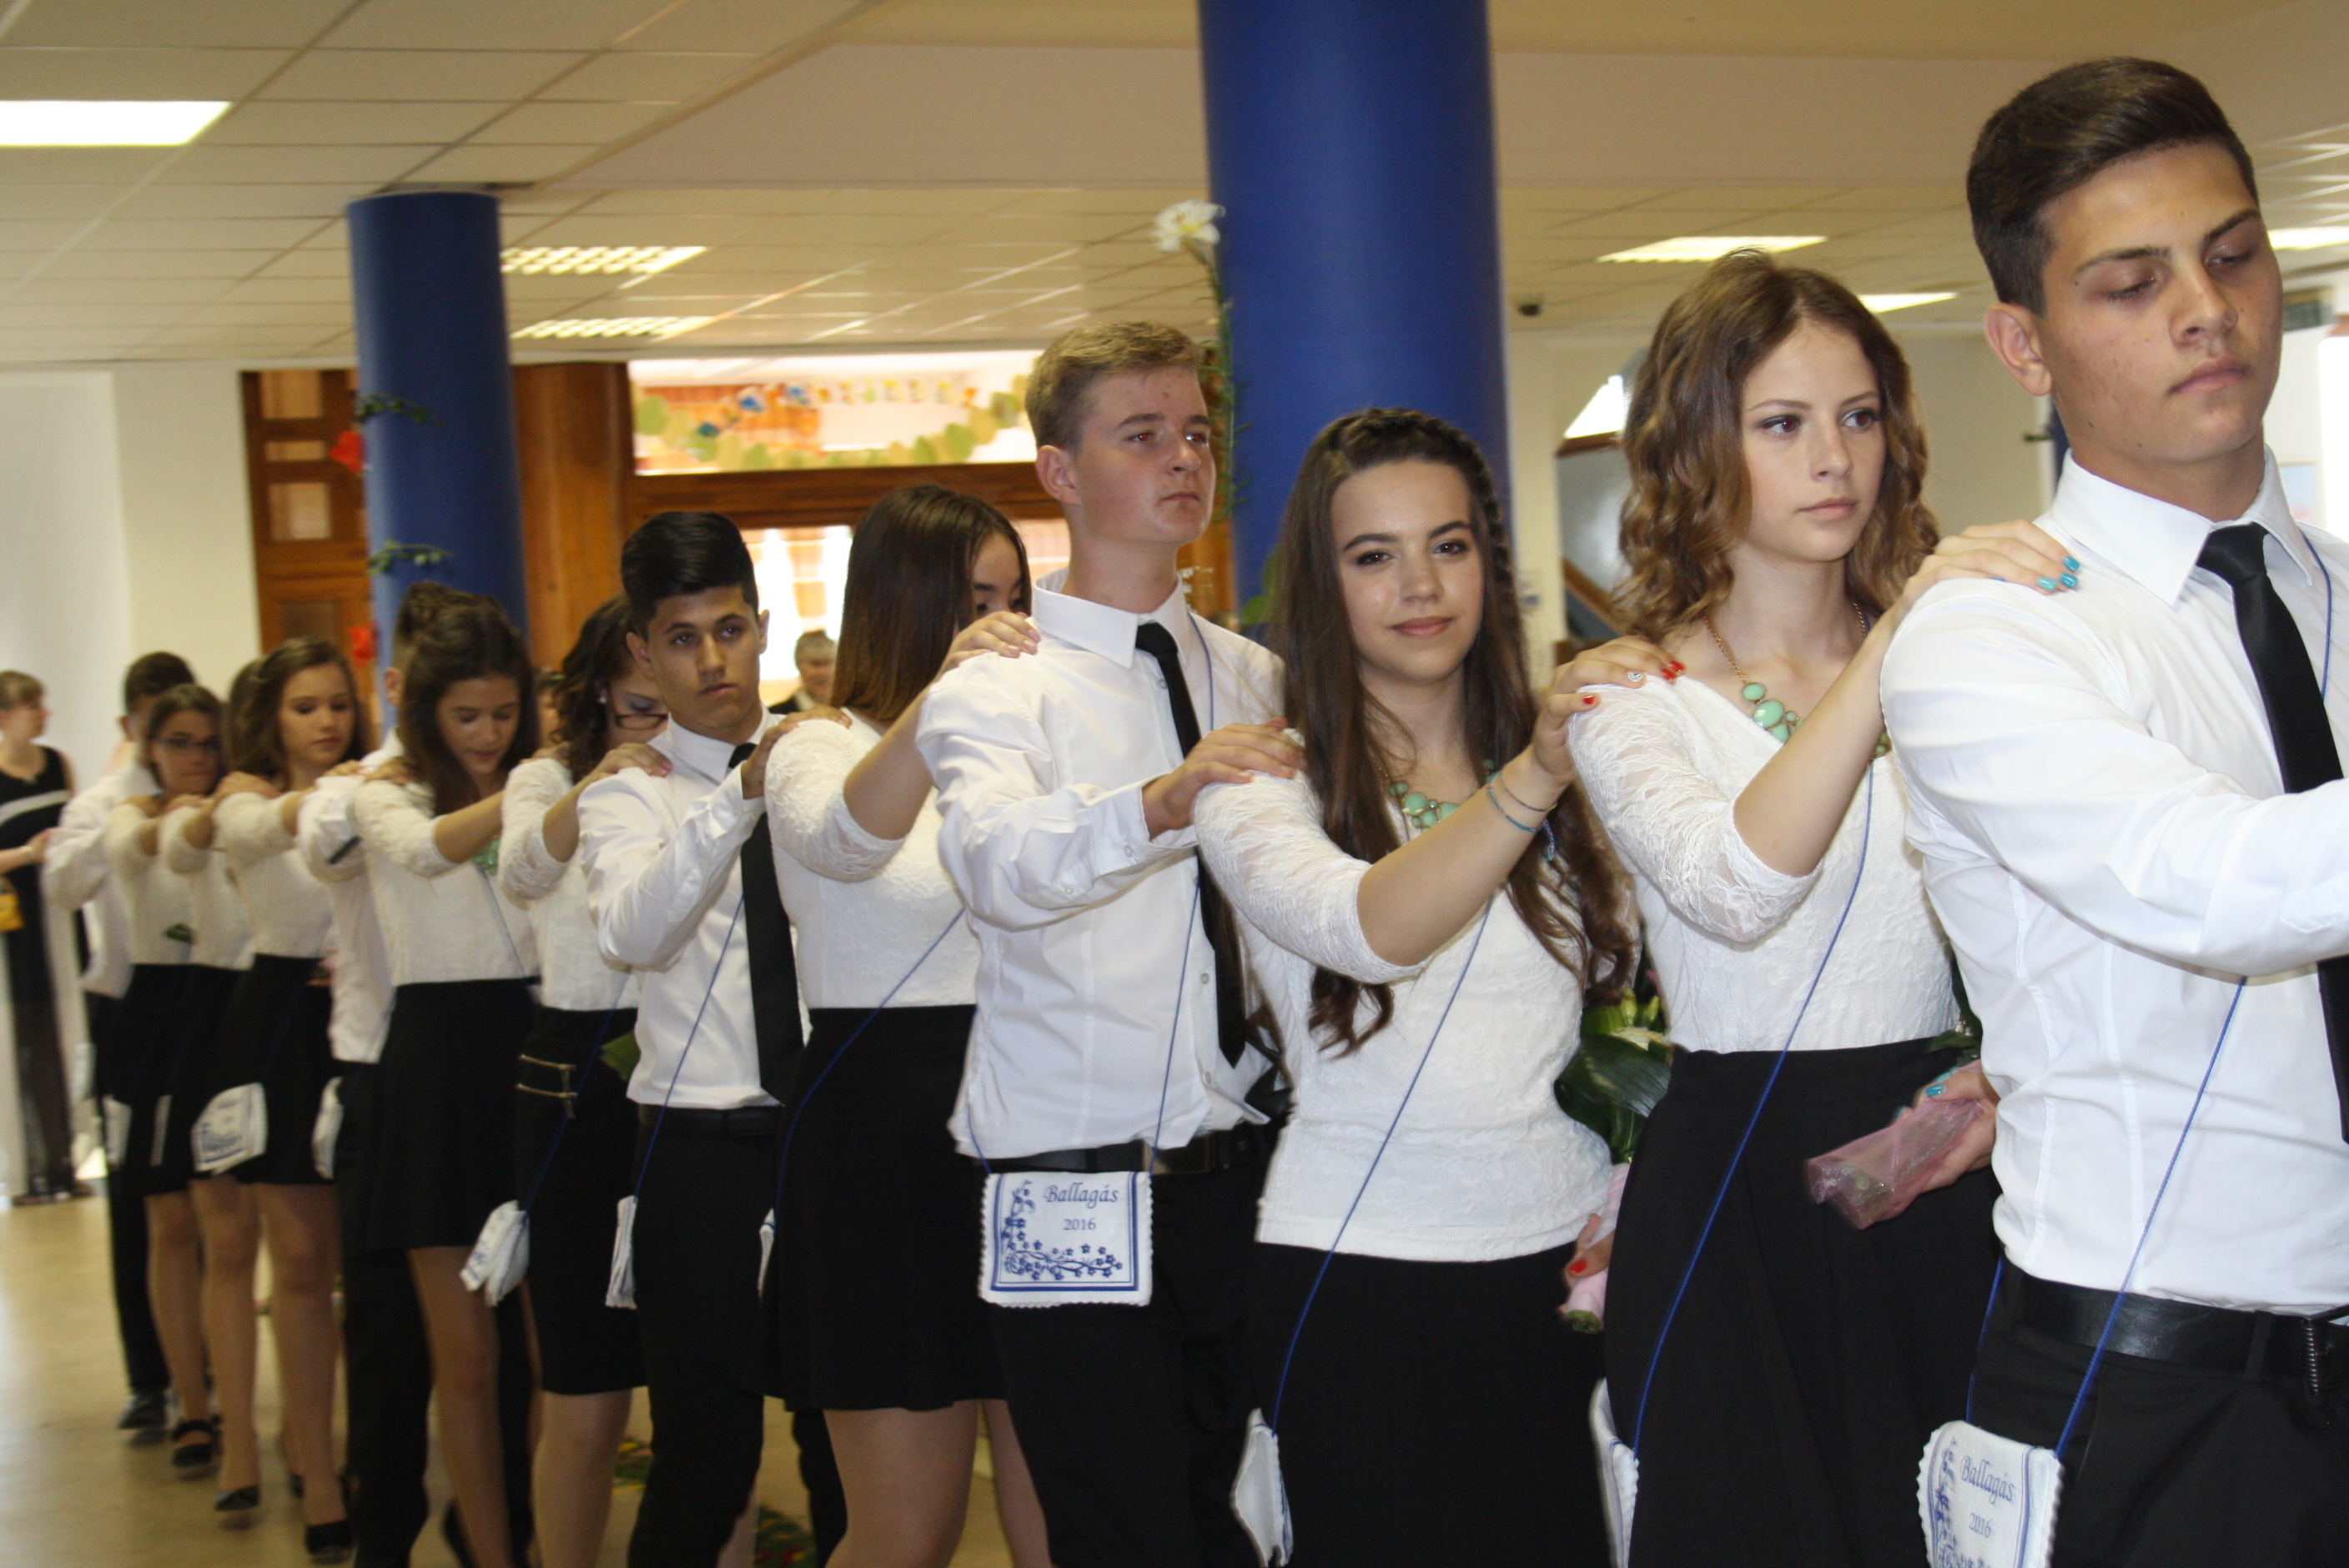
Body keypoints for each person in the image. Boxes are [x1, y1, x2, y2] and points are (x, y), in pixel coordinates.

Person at [1881, 58, 2349, 1564]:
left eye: (2234, 255)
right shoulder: (1990, 637)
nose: (2206, 311)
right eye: (2133, 284)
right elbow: (2212, 883)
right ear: (2022, 342)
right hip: (2160, 1393)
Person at [1567, 250, 2071, 1567]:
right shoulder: (1628, 697)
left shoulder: (1962, 664)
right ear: (1698, 446)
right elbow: (1736, 890)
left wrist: (2010, 1077)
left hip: (1930, 1159)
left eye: (1857, 417)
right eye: (1782, 424)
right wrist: (1897, 639)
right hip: (1733, 1182)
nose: (1834, 459)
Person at [1191, 410, 1651, 1564]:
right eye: (1373, 555)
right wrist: (1535, 777)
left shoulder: (1578, 769)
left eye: (1448, 545)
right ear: (1322, 582)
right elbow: (1371, 929)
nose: (1419, 585)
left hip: (1567, 1275)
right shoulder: (1262, 784)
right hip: (1360, 1278)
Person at [915, 320, 1289, 1567]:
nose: (1183, 458)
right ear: (1060, 472)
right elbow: (998, 864)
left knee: (1244, 1521)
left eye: (1195, 433)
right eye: (1141, 435)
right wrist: (1160, 801)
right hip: (1066, 1175)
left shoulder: (1256, 677)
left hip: (1242, 1165)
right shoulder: (996, 686)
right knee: (1117, 1531)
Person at [762, 485, 1052, 1568]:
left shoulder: (1032, 743)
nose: (1005, 623)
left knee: (1062, 1516)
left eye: (1015, 598)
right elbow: (845, 842)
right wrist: (945, 697)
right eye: (978, 599)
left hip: (1032, 1115)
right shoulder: (815, 742)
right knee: (905, 1531)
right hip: (878, 1139)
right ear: (906, 598)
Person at [577, 510, 846, 1568]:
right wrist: (734, 799)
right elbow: (632, 932)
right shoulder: (627, 792)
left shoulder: (829, 757)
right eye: (681, 639)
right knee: (702, 1459)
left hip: (824, 1135)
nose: (712, 662)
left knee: (848, 1448)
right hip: (697, 1152)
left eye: (729, 630)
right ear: (643, 652)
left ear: (763, 625)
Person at [301, 582, 532, 1568]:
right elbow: (423, 850)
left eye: (504, 713)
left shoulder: (540, 777)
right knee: (464, 1357)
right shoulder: (381, 788)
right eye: (465, 715)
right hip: (430, 1070)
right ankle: (489, 1548)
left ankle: (518, 1534)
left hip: (531, 1053)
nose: (487, 734)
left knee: (539, 1354)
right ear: (423, 708)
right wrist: (532, 792)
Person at [166, 638, 366, 1551]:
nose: (326, 721)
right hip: (280, 1025)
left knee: (363, 1262)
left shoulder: (379, 780)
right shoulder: (245, 797)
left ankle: (340, 1441)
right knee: (298, 1259)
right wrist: (335, 798)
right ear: (272, 718)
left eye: (337, 704)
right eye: (305, 706)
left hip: (364, 1020)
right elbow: (240, 833)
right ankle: (314, 1467)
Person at [499, 598, 662, 1568]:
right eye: (638, 699)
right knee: (585, 1394)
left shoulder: (722, 763)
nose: (657, 718)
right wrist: (598, 782)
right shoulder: (543, 775)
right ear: (597, 687)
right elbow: (518, 869)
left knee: (701, 1399)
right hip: (572, 1071)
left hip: (691, 1077)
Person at [43, 650, 194, 1434]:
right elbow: (61, 885)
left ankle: (204, 1371)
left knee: (211, 1207)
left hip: (203, 1005)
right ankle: (150, 1377)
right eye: (157, 726)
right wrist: (123, 828)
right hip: (129, 1009)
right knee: (138, 1205)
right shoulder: (100, 803)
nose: (178, 746)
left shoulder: (217, 792)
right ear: (131, 726)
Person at [103, 684, 234, 1480]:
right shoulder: (131, 815)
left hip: (225, 1009)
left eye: (208, 742)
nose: (195, 757)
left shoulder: (243, 806)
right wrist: (190, 819)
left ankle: (245, 1404)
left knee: (234, 1226)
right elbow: (131, 850)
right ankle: (191, 1401)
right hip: (155, 1016)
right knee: (171, 1223)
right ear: (150, 749)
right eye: (179, 743)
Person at [0, 671, 84, 1203]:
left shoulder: (57, 764)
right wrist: (28, 853)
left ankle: (66, 1162)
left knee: (68, 1034)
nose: (43, 713)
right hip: (15, 925)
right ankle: (31, 1168)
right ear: (4, 717)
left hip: (60, 915)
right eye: (31, 705)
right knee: (26, 1042)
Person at [770, 631, 837, 715]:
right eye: (816, 664)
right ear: (798, 665)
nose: (824, 673)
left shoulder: (846, 711)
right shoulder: (777, 714)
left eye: (830, 664)